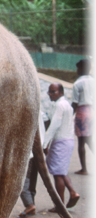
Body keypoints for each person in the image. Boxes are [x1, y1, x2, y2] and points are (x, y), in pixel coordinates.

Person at [44, 82, 79, 211]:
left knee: (58, 173)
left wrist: (45, 143)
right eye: (49, 91)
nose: (50, 94)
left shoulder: (59, 105)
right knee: (60, 170)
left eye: (53, 91)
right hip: (67, 140)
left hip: (61, 141)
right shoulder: (66, 105)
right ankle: (71, 193)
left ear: (61, 92)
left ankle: (61, 203)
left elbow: (54, 126)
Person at [17, 114, 46, 218]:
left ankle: (29, 204)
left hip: (28, 151)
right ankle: (31, 204)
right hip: (38, 151)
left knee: (23, 180)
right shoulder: (40, 113)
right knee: (32, 179)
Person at [71, 59, 93, 175]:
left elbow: (75, 103)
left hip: (82, 113)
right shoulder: (93, 81)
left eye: (78, 68)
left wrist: (69, 116)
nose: (77, 70)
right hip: (92, 112)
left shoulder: (77, 84)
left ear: (80, 69)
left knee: (81, 142)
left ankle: (84, 169)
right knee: (90, 139)